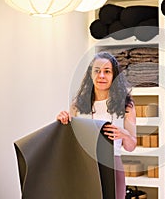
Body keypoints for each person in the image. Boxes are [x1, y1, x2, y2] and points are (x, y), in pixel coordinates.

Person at [57, 52, 137, 199]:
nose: (101, 76)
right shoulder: (77, 105)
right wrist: (63, 121)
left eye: (107, 71)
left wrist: (124, 134)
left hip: (113, 165)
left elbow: (131, 146)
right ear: (90, 74)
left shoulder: (126, 106)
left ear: (114, 76)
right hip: (84, 166)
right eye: (97, 71)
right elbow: (69, 140)